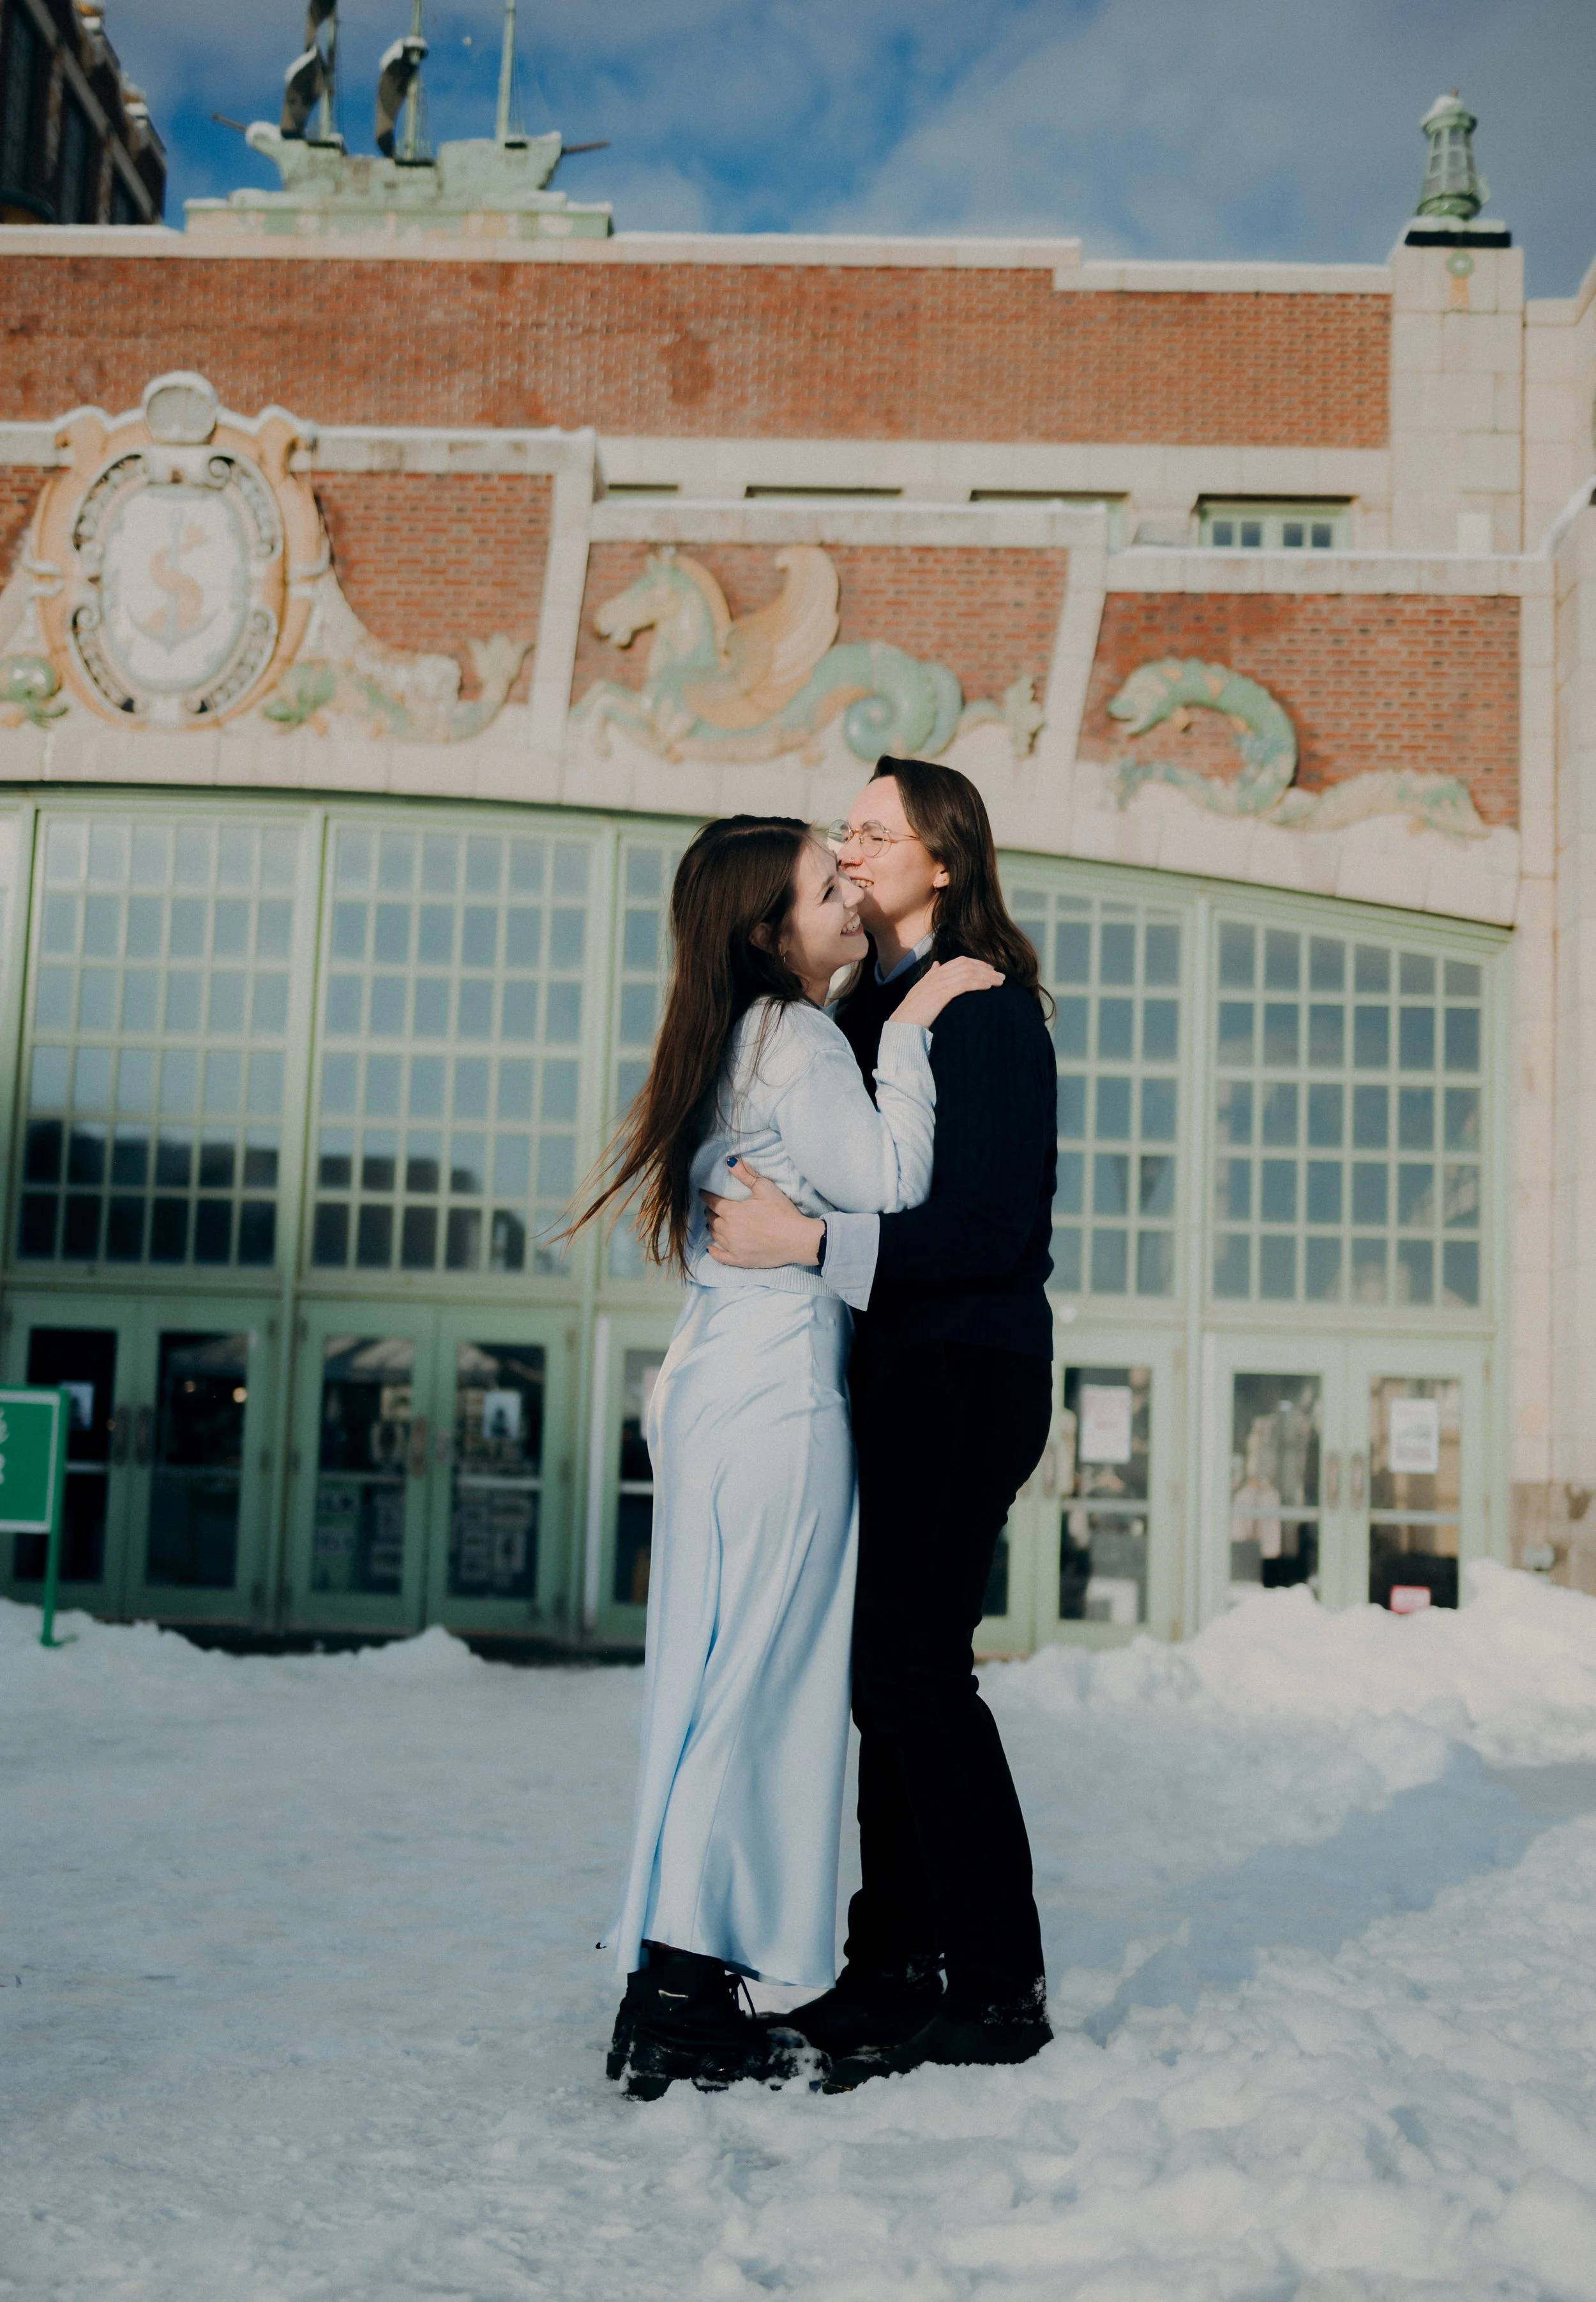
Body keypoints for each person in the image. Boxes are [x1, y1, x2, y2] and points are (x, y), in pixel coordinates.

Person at [572, 813, 1000, 2098]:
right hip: (774, 1403)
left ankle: (669, 1977)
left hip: (712, 1392)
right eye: (826, 890)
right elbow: (887, 1181)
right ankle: (682, 1995)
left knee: (704, 1684)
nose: (849, 905)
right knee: (751, 1690)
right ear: (769, 933)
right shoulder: (797, 1035)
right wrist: (916, 1034)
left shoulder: (723, 1040)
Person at [702, 758, 1058, 2089]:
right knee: (879, 1682)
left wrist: (805, 1243)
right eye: (839, 834)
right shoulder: (860, 1013)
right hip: (891, 1375)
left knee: (915, 1675)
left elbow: (987, 1229)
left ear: (943, 859)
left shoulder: (983, 1012)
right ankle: (892, 1969)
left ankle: (998, 1986)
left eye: (871, 831)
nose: (846, 850)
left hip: (968, 1371)